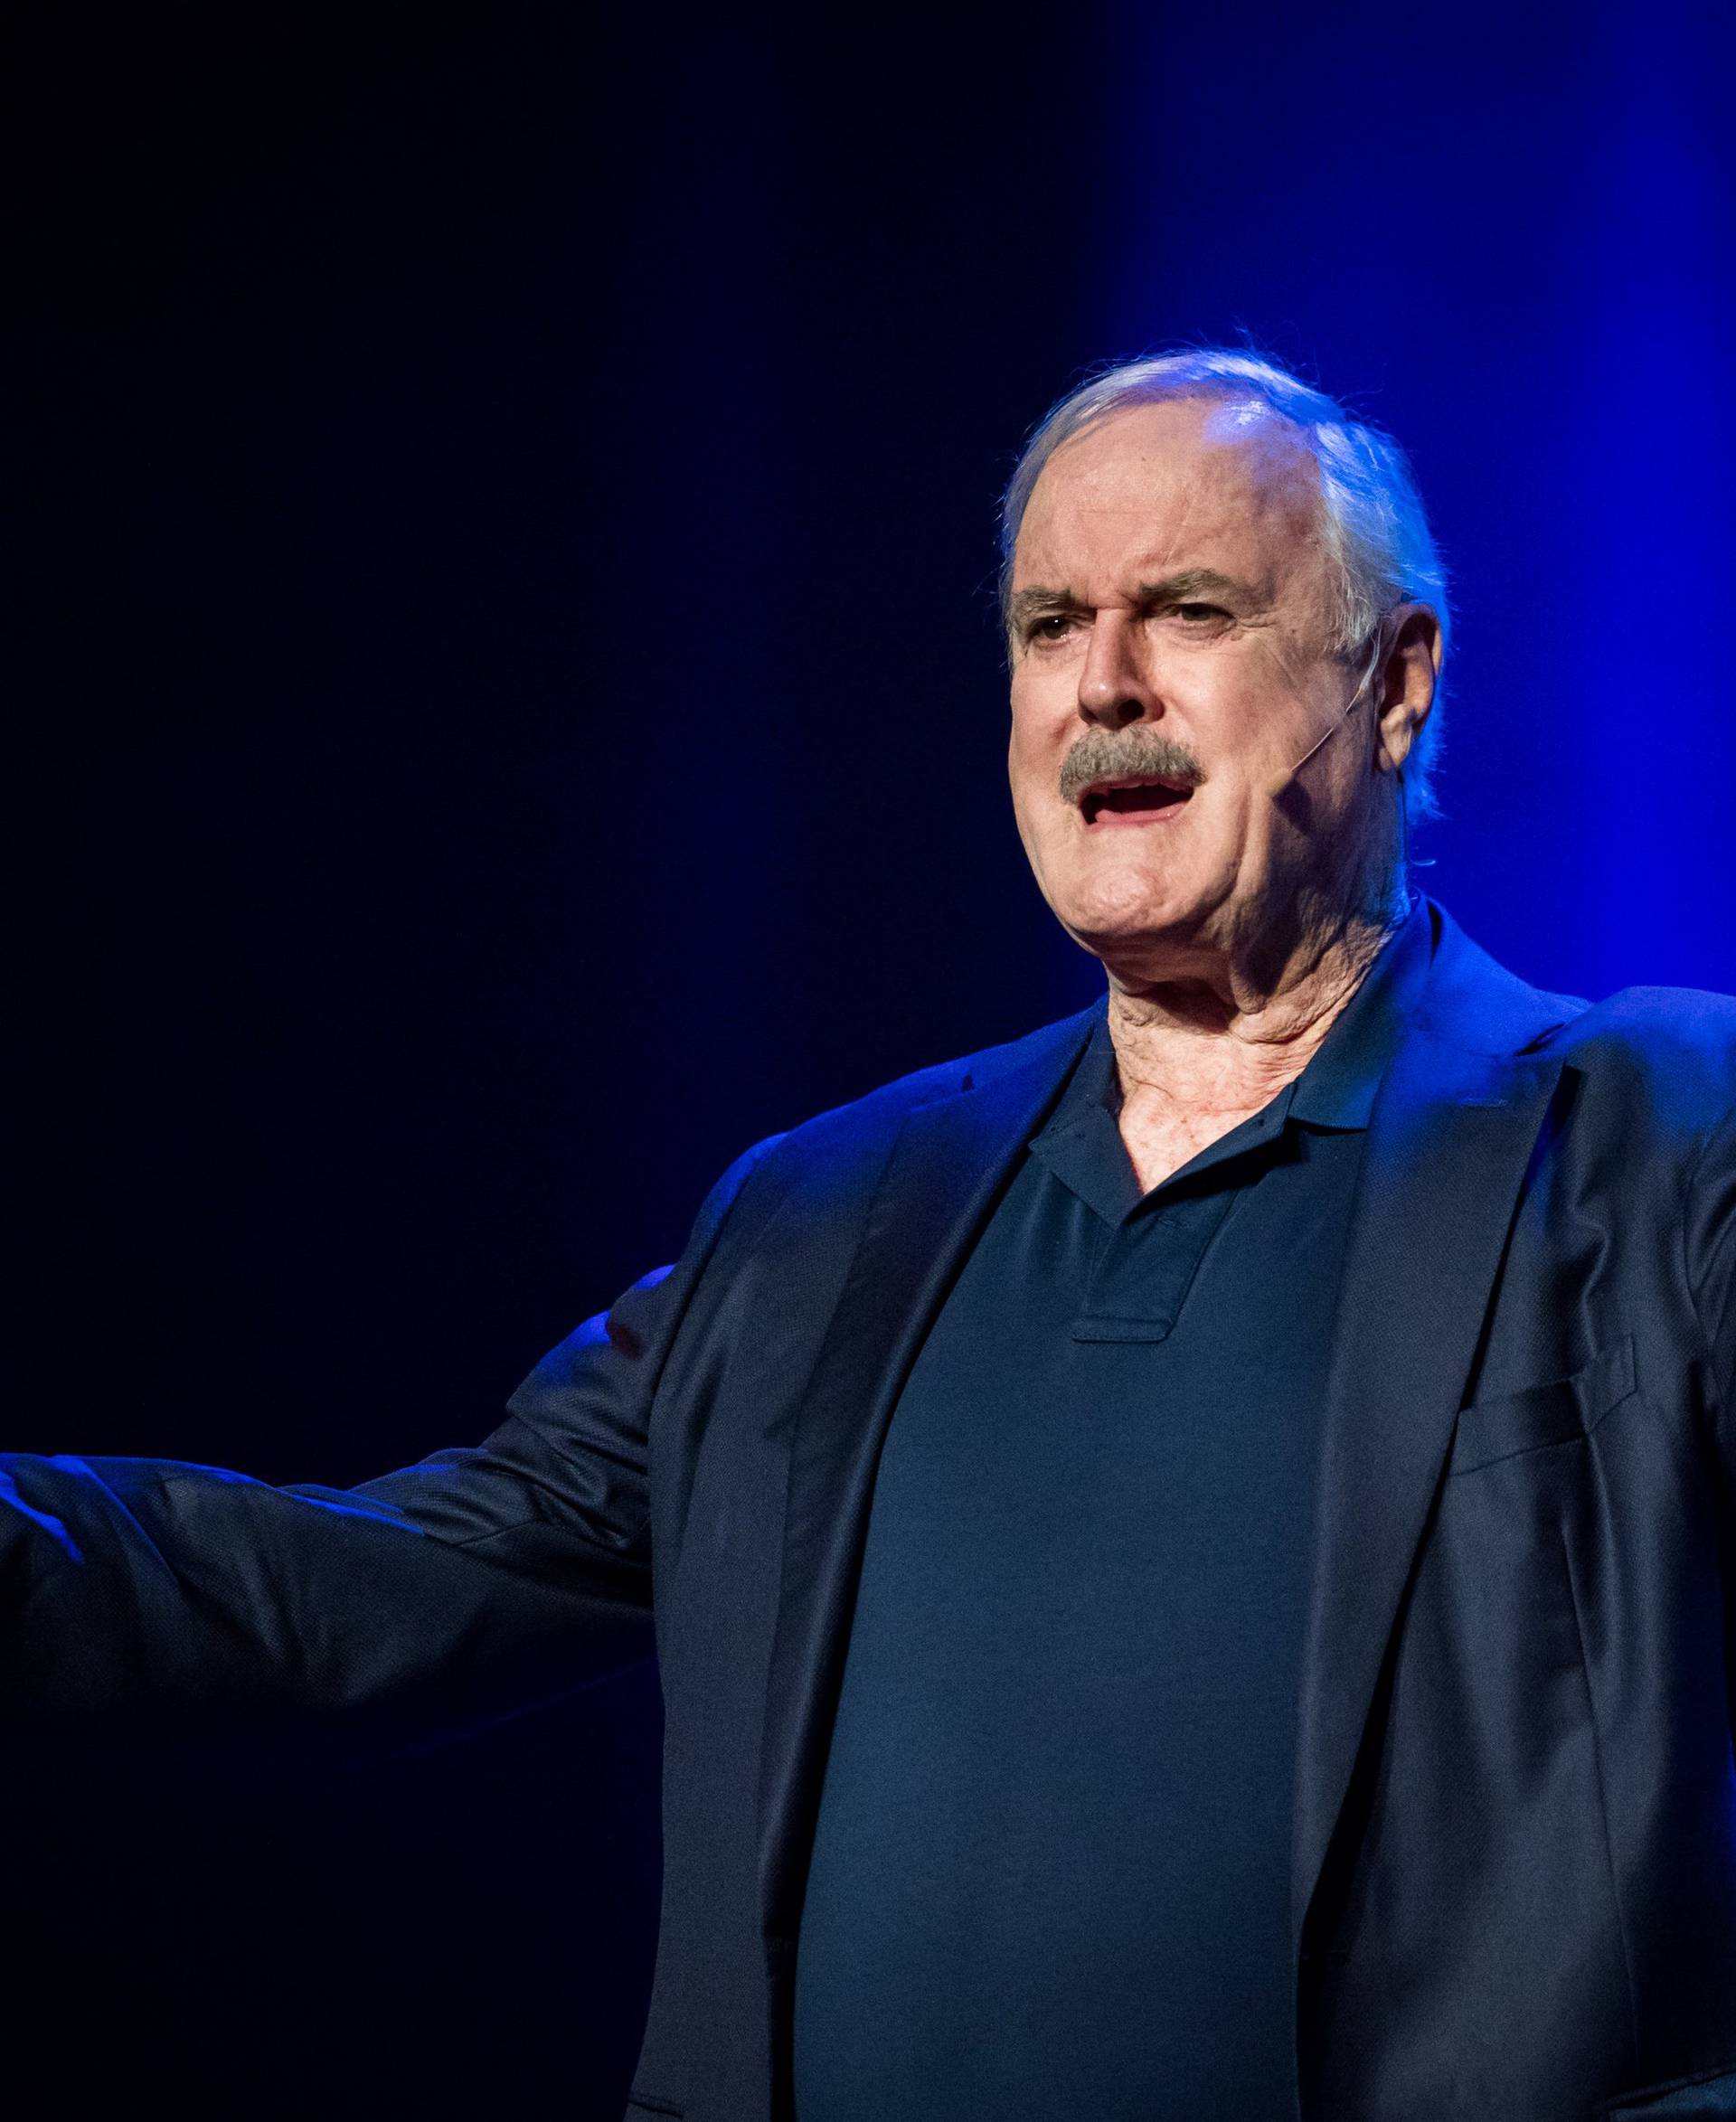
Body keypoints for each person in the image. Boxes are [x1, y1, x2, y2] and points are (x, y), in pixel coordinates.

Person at [4, 349, 1732, 2122]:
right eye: (1052, 625)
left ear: (1394, 683)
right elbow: (365, 1585)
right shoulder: (823, 1221)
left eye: (1189, 609)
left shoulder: (1655, 1136)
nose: (1104, 685)